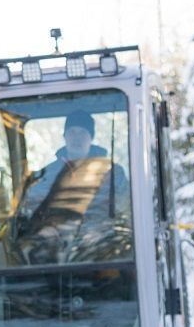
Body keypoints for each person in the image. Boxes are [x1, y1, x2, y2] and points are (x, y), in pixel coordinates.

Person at [15, 110, 130, 262]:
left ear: (91, 137)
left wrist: (100, 230)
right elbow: (32, 208)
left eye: (82, 132)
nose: (77, 137)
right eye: (72, 132)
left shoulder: (113, 173)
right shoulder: (46, 174)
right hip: (55, 245)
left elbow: (124, 211)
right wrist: (46, 228)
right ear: (65, 136)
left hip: (100, 244)